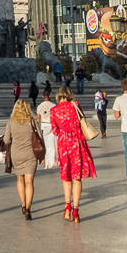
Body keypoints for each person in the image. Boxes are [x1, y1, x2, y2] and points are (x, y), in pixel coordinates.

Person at [50, 85, 96, 223]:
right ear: (69, 94)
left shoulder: (54, 110)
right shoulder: (75, 105)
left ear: (58, 95)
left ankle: (67, 206)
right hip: (77, 143)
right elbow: (82, 119)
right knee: (77, 177)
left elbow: (54, 130)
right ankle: (76, 210)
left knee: (66, 176)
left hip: (63, 144)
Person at [3, 99, 41, 220]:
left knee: (20, 180)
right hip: (30, 154)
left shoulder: (11, 122)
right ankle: (29, 208)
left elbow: (6, 140)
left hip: (16, 154)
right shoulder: (32, 121)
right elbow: (39, 137)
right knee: (29, 182)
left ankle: (23, 205)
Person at [36, 88, 58, 170]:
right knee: (53, 144)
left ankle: (48, 162)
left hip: (44, 126)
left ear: (42, 96)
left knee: (46, 145)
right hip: (52, 126)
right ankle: (54, 161)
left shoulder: (39, 106)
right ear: (49, 96)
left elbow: (38, 119)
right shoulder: (53, 105)